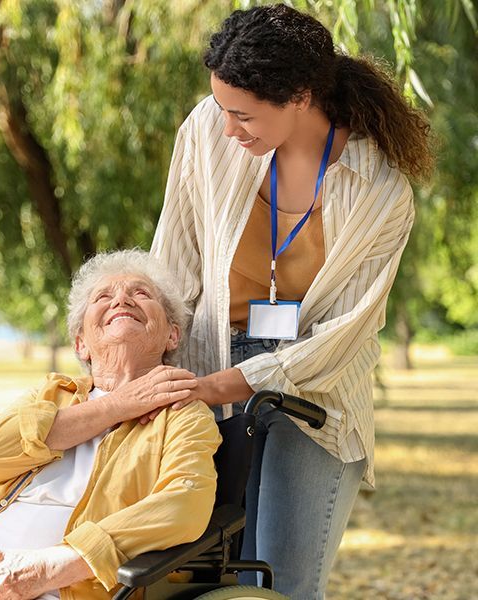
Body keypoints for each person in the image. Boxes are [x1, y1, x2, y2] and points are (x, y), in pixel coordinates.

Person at [151, 4, 432, 599]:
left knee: (280, 586)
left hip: (317, 393)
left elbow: (346, 332)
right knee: (193, 581)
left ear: (301, 96)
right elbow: (172, 264)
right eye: (223, 108)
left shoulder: (381, 190)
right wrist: (148, 375)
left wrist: (231, 384)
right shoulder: (206, 130)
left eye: (244, 115)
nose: (228, 129)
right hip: (207, 367)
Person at [0, 250, 221, 600]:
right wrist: (118, 405)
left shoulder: (183, 414)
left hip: (57, 588)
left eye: (141, 293)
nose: (121, 298)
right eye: (103, 296)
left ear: (172, 336)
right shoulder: (53, 393)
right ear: (81, 344)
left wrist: (57, 564)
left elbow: (185, 505)